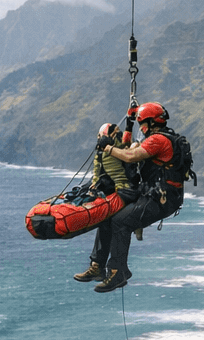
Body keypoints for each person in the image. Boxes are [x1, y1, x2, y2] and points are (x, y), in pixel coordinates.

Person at [87, 102, 188, 293]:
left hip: (160, 198)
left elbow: (130, 156)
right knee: (109, 214)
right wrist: (129, 123)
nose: (141, 128)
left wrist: (107, 148)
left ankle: (118, 272)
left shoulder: (157, 140)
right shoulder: (162, 137)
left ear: (151, 123)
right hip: (161, 195)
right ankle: (98, 265)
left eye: (142, 123)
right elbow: (129, 147)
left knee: (120, 221)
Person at [73, 122, 140, 284]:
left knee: (109, 223)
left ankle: (107, 268)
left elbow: (124, 158)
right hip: (120, 192)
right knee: (106, 224)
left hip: (125, 192)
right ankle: (100, 267)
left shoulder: (118, 149)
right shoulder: (112, 150)